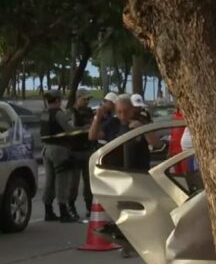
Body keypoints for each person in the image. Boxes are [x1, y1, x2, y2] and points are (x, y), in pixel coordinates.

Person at [40, 90, 80, 223]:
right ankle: (64, 212)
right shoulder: (58, 113)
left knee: (49, 181)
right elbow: (69, 130)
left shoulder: (45, 113)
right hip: (59, 150)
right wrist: (85, 128)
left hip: (46, 149)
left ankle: (48, 211)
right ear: (57, 100)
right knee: (62, 181)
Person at [88, 95, 156, 171]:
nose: (123, 115)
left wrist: (142, 129)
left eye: (126, 111)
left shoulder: (142, 120)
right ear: (115, 111)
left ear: (132, 109)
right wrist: (97, 117)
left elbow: (156, 144)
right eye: (119, 112)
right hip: (116, 171)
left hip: (138, 171)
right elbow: (92, 136)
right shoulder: (113, 123)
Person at [67, 89, 95, 218]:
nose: (87, 102)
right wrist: (85, 128)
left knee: (88, 183)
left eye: (88, 99)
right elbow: (70, 130)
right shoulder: (71, 113)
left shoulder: (89, 112)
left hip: (87, 150)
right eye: (84, 99)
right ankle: (70, 206)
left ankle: (89, 207)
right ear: (77, 99)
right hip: (75, 151)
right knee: (74, 183)